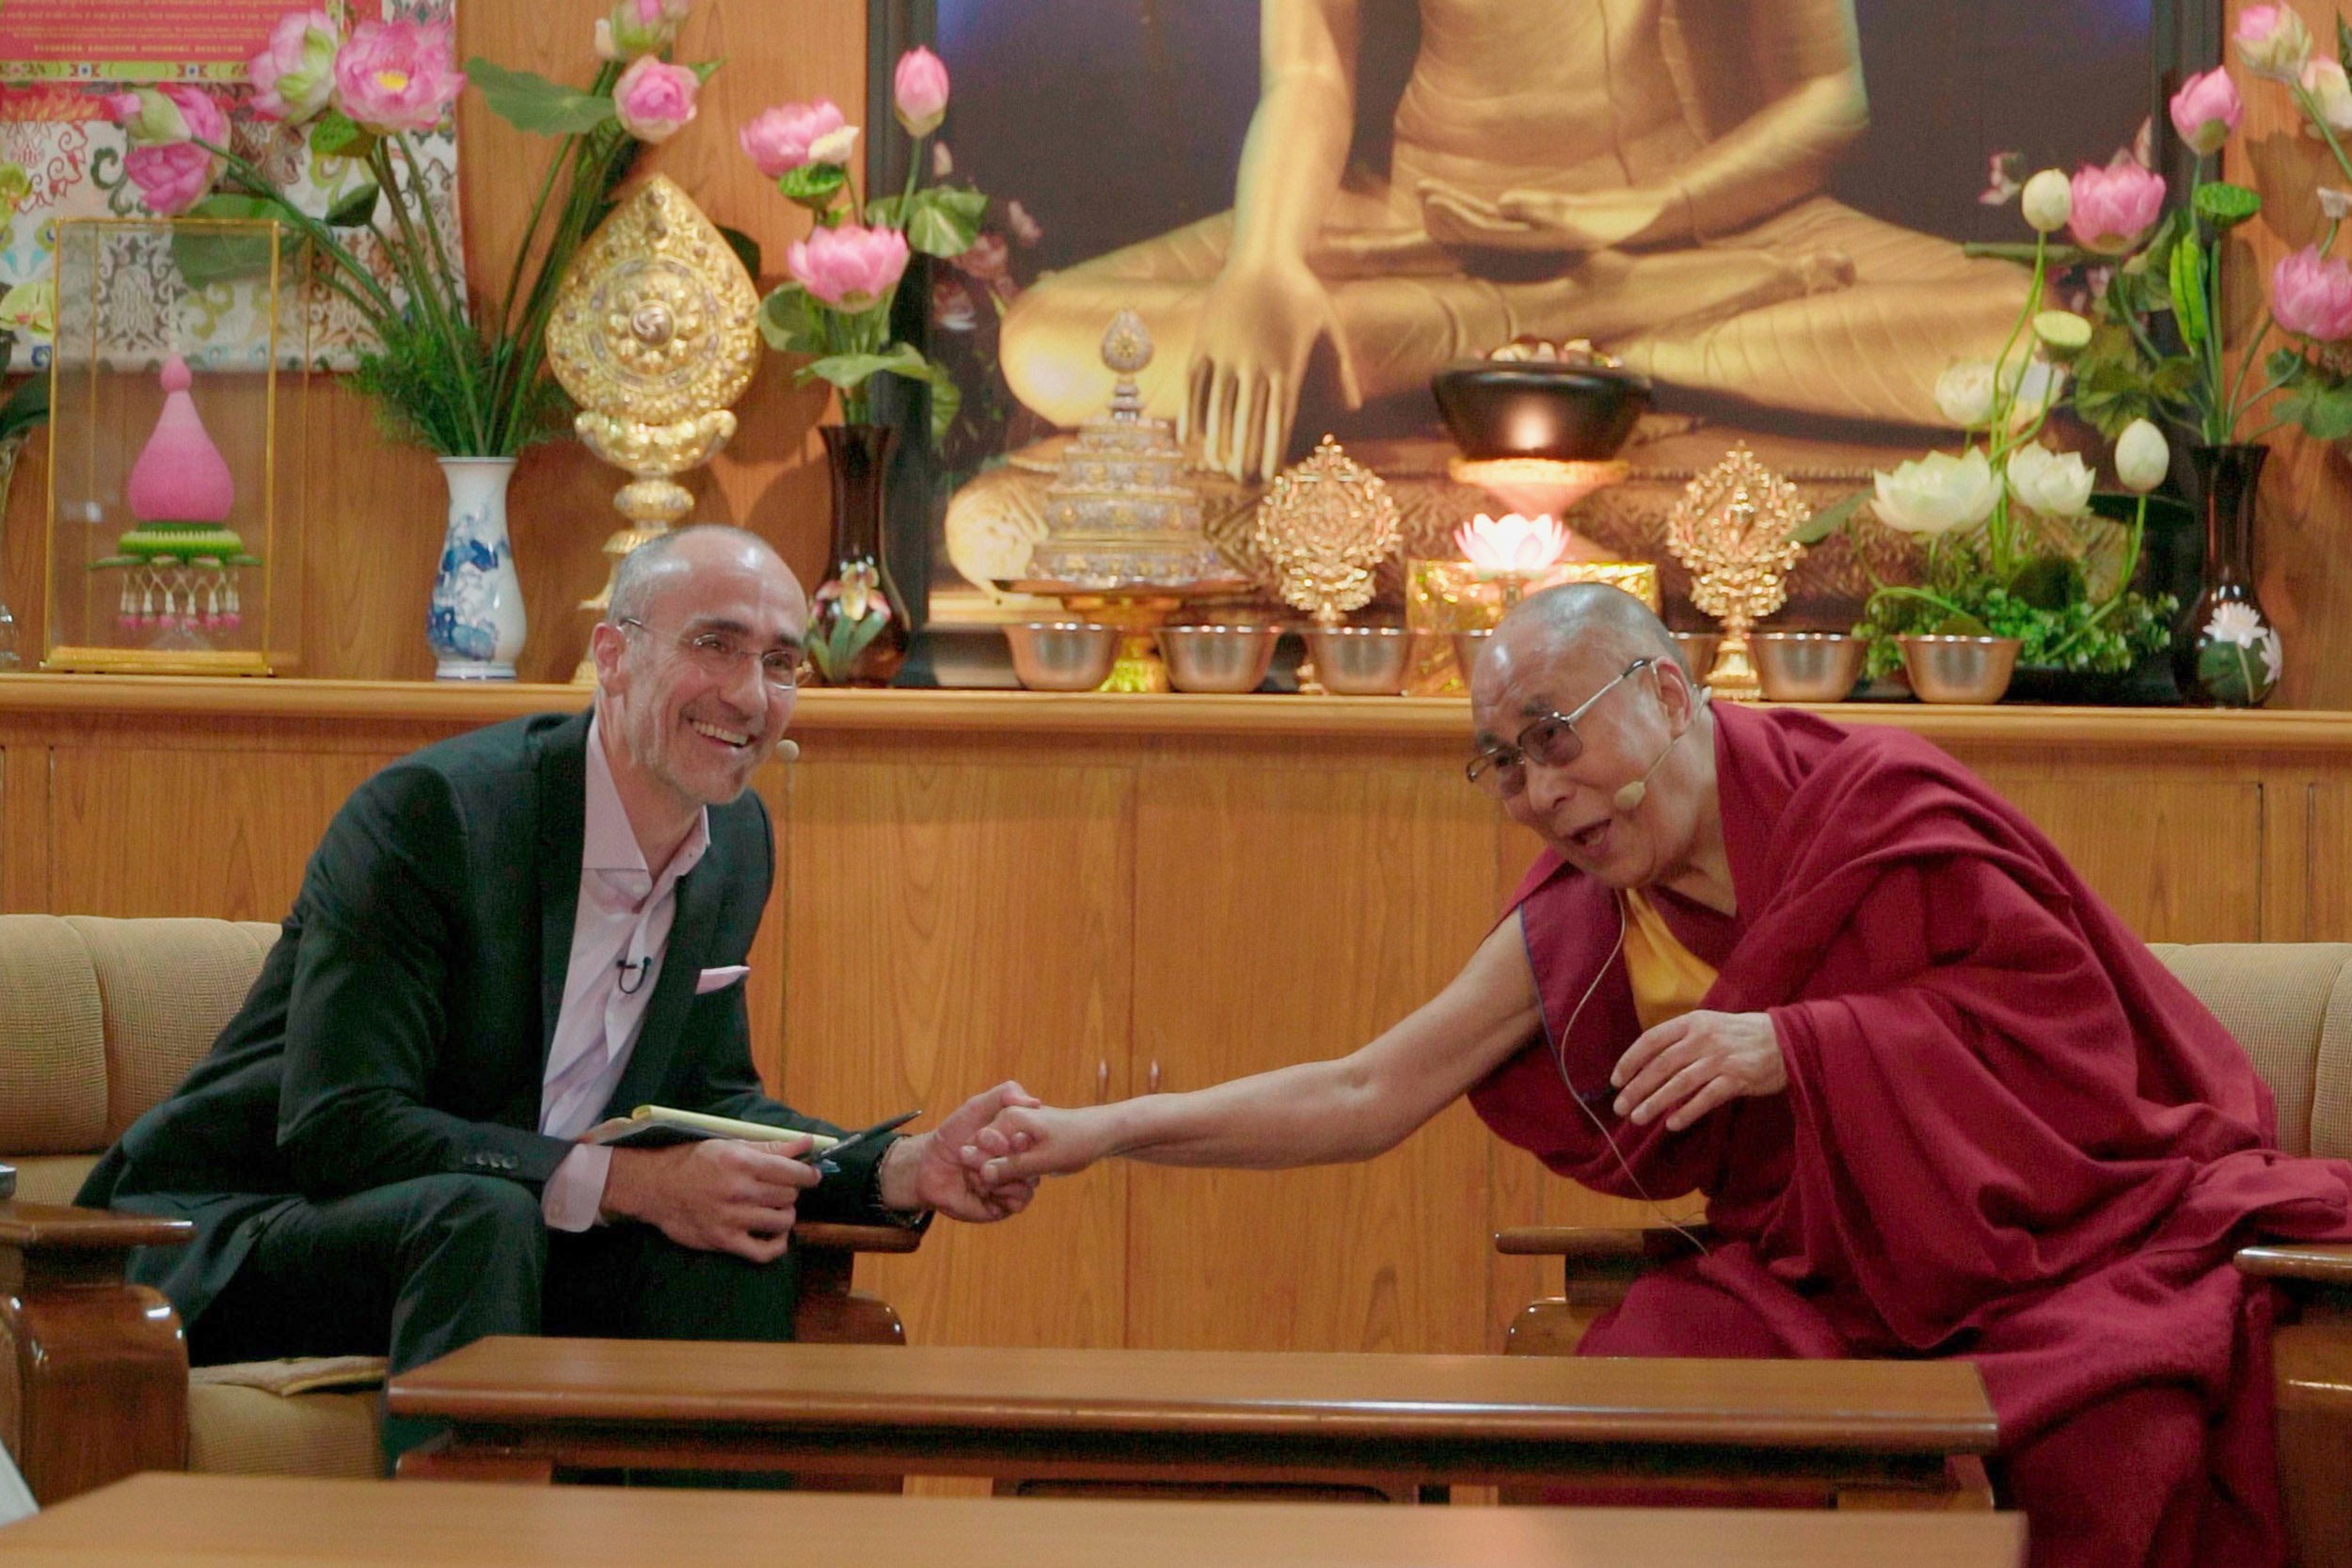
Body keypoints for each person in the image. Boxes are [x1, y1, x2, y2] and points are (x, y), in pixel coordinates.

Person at [965, 582, 2352, 1568]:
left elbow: (2065, 1029)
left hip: (2061, 1240)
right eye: (1501, 763)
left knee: (2116, 1438)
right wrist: (1100, 1129)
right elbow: (1363, 1090)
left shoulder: (1876, 803)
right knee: (1639, 1409)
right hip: (1829, 1273)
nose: (1541, 792)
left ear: (1671, 691)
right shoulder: (1579, 910)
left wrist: (1796, 1044)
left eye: (1557, 738)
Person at [80, 526, 1039, 1459]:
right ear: (612, 657)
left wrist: (890, 1168)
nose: (749, 694)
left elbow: (709, 1103)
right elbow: (342, 1124)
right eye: (715, 644)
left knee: (731, 1241)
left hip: (497, 1233)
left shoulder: (733, 844)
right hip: (246, 1226)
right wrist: (630, 1182)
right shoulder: (436, 818)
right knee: (483, 1215)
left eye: (782, 662)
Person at [998, 0, 2027, 479]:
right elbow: (1308, 77)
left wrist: (1646, 214)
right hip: (1419, 215)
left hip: (1689, 215)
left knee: (2008, 336)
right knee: (1045, 334)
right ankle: (1591, 331)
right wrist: (1263, 262)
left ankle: (1547, 337)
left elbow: (1826, 97)